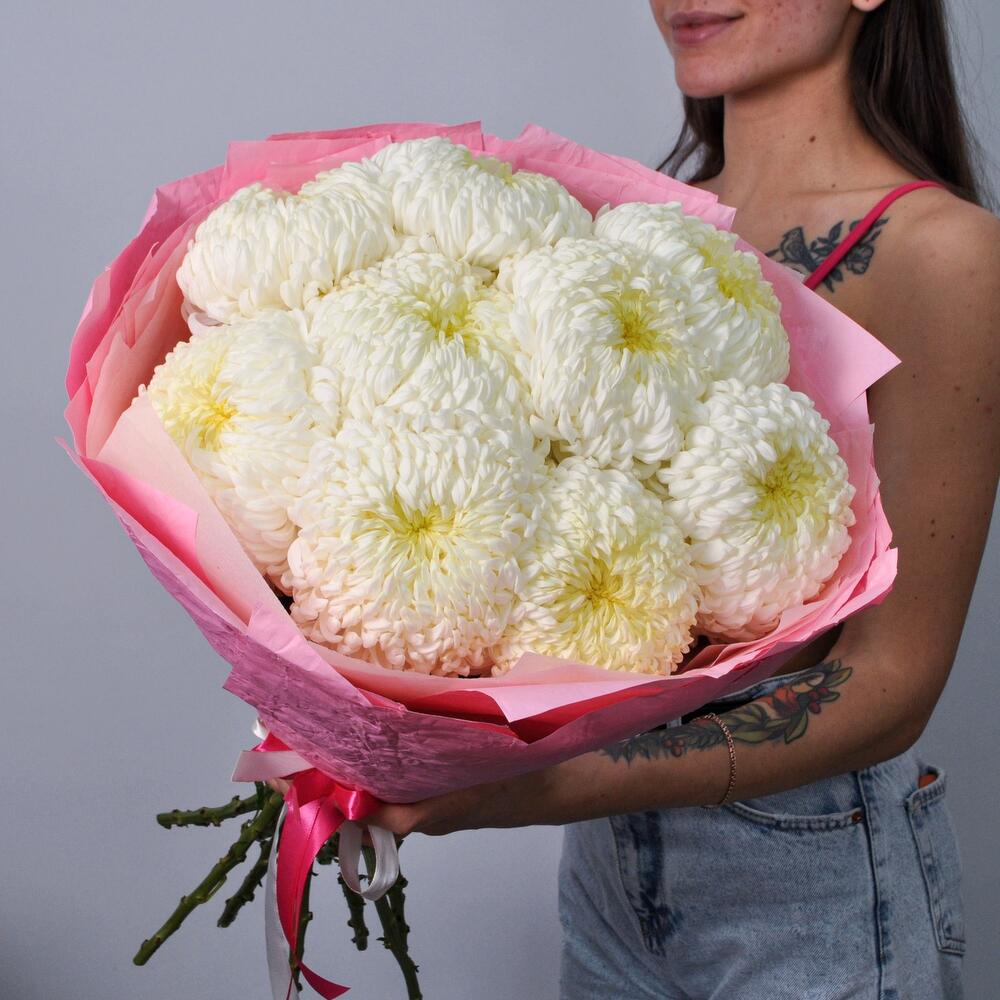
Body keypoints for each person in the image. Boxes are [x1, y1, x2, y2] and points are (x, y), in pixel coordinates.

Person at [321, 3, 1000, 996]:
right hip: (608, 878)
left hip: (808, 886)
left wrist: (535, 786)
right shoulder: (626, 229)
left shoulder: (943, 252)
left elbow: (891, 682)